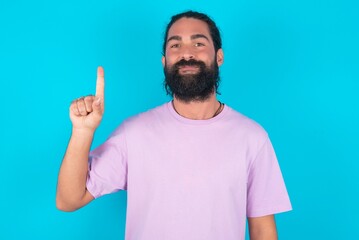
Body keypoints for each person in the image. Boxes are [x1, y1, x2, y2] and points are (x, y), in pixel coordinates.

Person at [56, 10, 292, 240]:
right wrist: (82, 131)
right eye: (175, 45)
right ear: (164, 61)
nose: (186, 53)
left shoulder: (252, 137)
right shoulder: (134, 133)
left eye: (198, 43)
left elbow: (263, 231)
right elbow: (68, 200)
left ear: (219, 56)